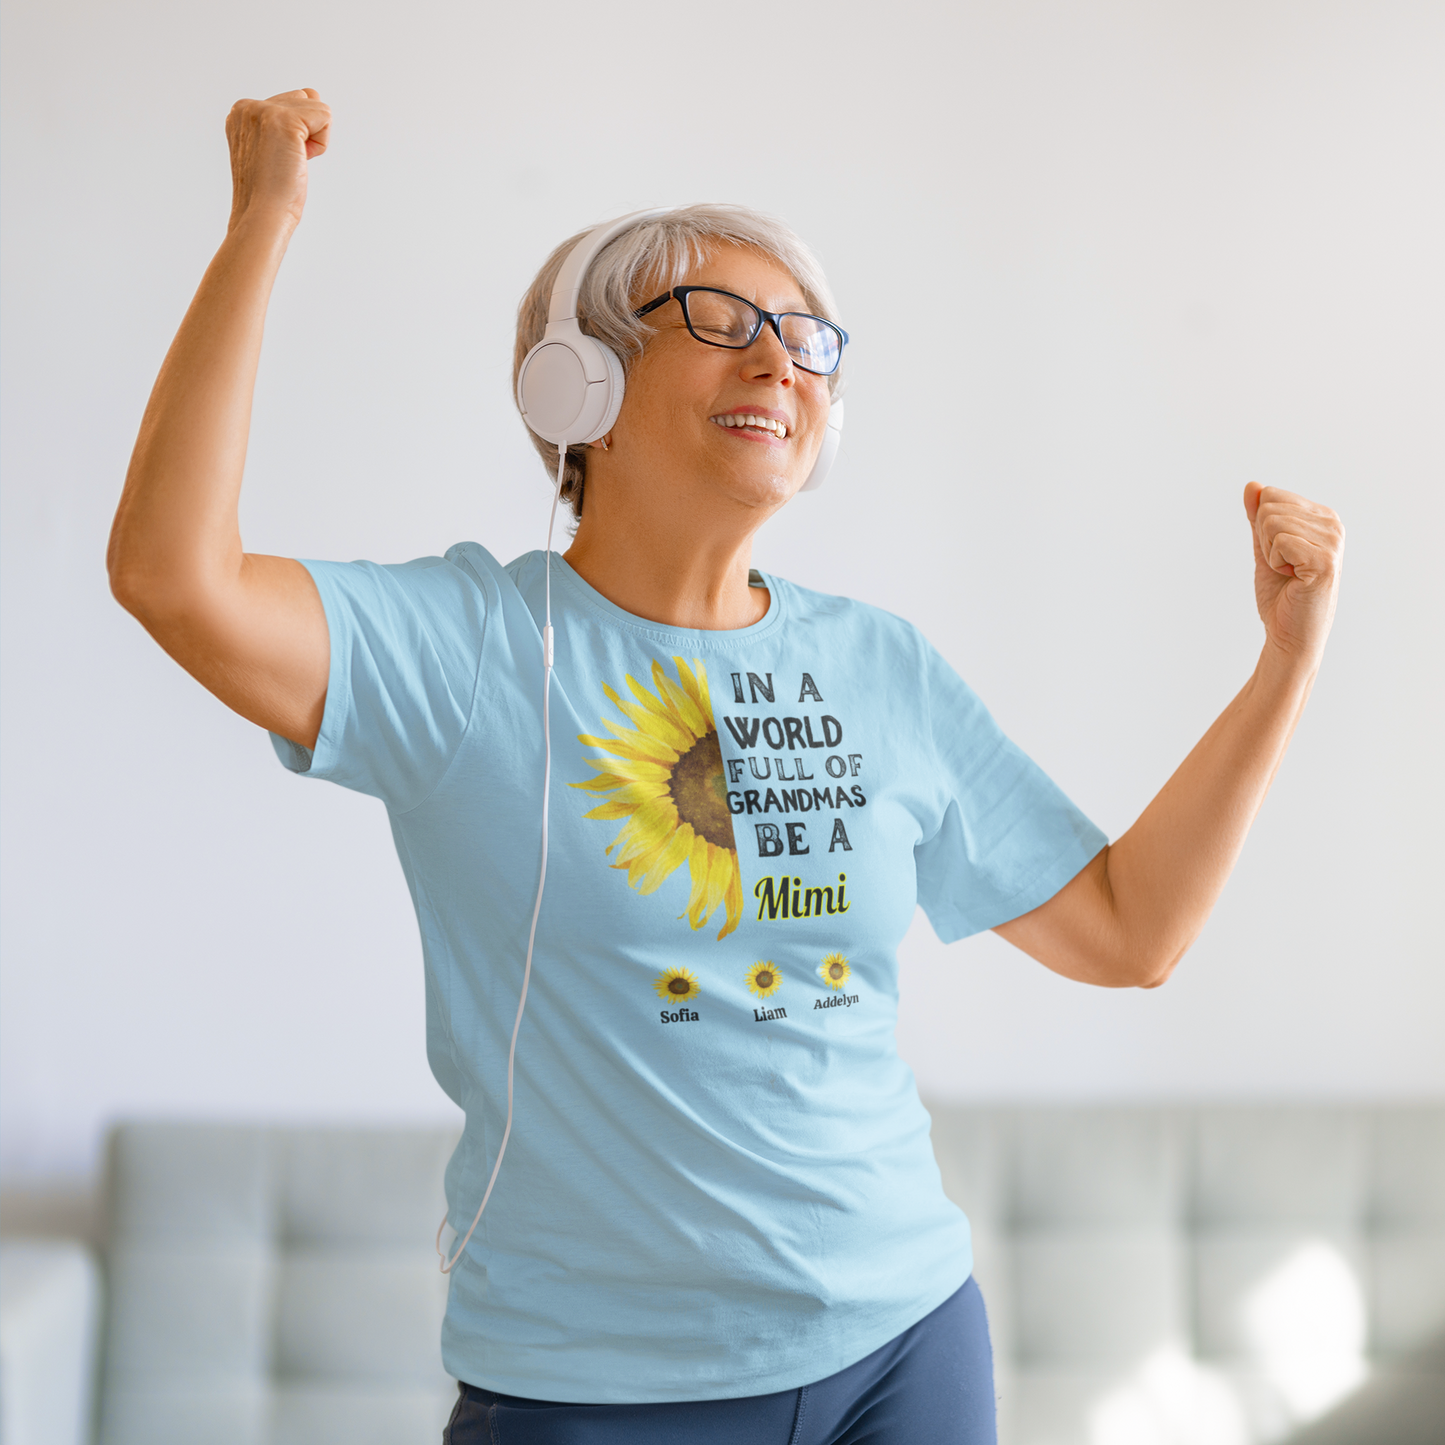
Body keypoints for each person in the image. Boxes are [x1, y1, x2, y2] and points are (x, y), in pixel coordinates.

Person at [107, 89, 1345, 1445]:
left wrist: (1282, 663)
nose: (779, 363)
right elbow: (175, 578)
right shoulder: (466, 649)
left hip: (905, 1344)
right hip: (595, 1392)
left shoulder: (884, 669)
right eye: (721, 324)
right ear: (577, 388)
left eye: (804, 339)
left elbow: (1128, 929)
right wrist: (265, 220)